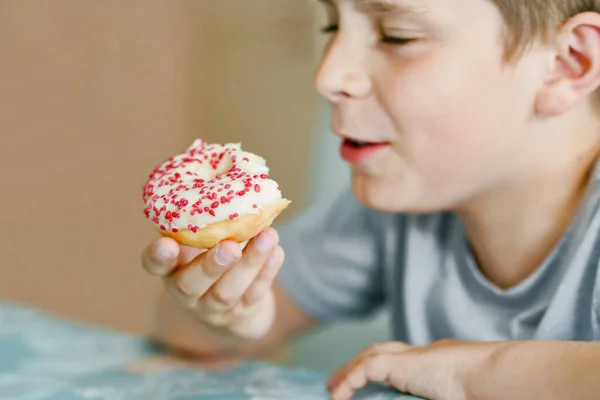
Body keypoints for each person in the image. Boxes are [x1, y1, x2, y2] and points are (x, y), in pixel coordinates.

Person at [141, 0, 600, 398]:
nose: (327, 75)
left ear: (568, 62)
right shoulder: (399, 209)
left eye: (397, 35)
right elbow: (183, 335)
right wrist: (227, 315)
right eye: (332, 26)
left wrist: (475, 374)